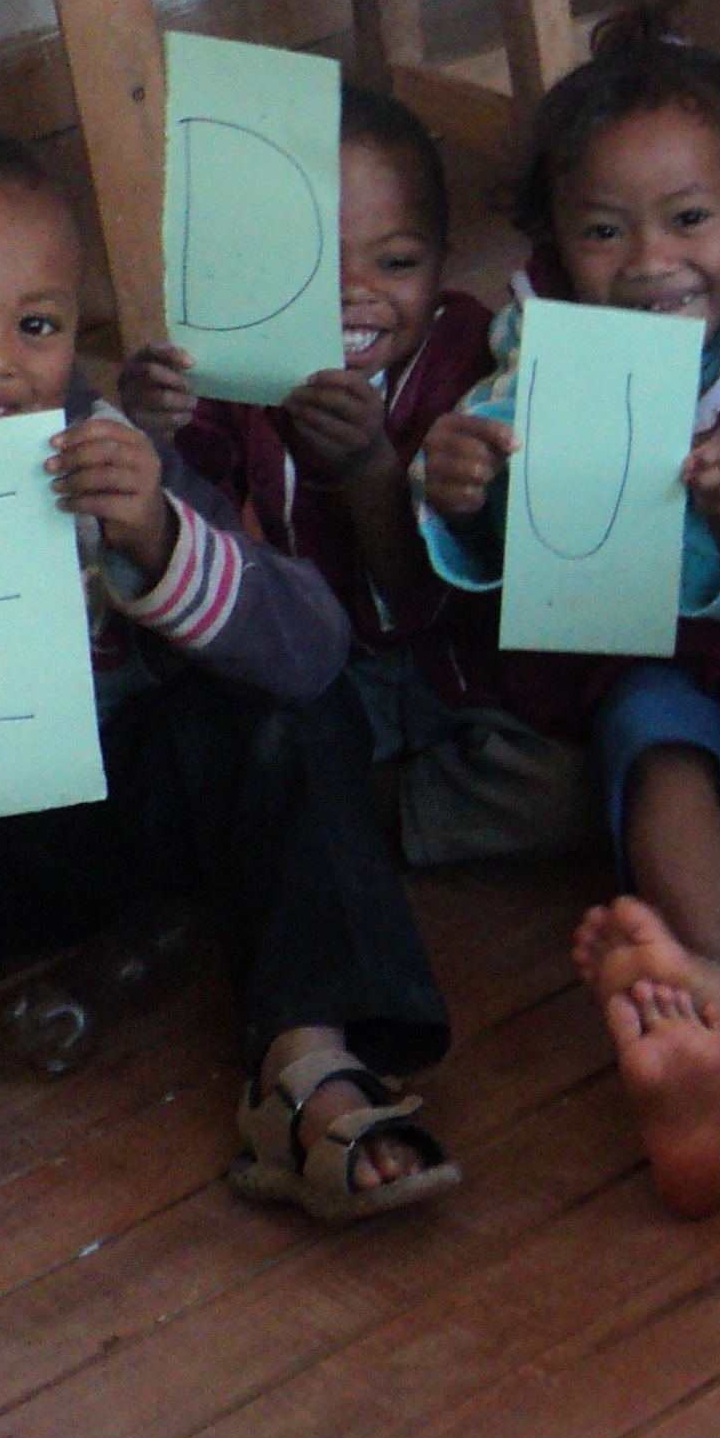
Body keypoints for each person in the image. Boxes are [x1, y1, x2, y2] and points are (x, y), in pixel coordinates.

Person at [0, 123, 452, 1225]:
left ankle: (308, 1058)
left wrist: (160, 537)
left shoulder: (107, 452)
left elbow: (310, 647)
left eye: (38, 325)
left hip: (108, 823)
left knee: (291, 707)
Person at [416, 27, 720, 1219]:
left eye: (688, 220)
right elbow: (515, 514)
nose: (649, 262)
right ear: (556, 239)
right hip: (645, 662)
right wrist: (460, 488)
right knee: (658, 748)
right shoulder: (543, 341)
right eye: (604, 230)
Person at [119, 83, 589, 868]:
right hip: (339, 674)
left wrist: (371, 467)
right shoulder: (252, 364)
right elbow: (193, 508)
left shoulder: (475, 356)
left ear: (443, 259)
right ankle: (341, 805)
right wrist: (153, 421)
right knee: (249, 732)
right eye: (311, 261)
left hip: (469, 673)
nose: (355, 293)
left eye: (397, 262)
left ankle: (367, 811)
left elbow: (425, 590)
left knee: (574, 779)